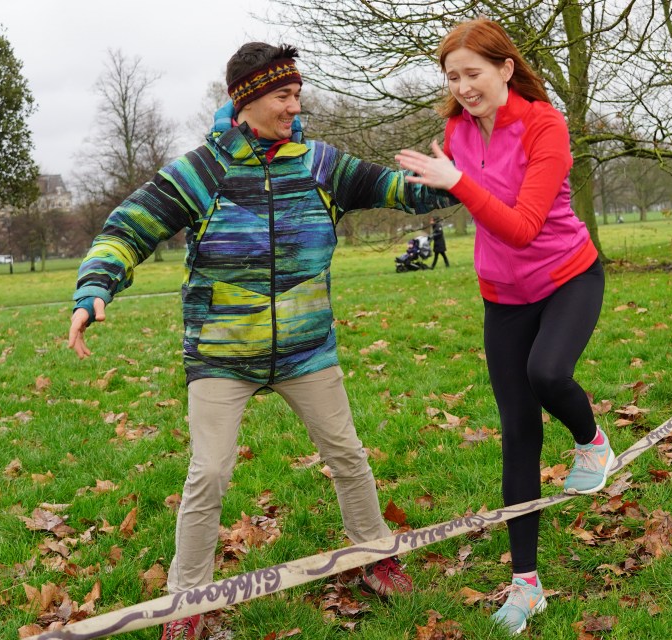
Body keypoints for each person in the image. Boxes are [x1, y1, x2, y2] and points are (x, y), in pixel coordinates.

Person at [68, 42, 455, 640]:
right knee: (210, 473)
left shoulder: (320, 163)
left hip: (307, 351)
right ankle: (186, 600)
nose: (294, 107)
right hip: (222, 357)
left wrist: (453, 177)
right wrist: (96, 287)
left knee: (347, 455)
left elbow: (403, 191)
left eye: (297, 94)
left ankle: (375, 556)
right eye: (282, 95)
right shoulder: (204, 171)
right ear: (245, 100)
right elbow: (128, 228)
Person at [395, 18, 613, 635]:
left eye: (473, 73)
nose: (463, 87)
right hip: (503, 294)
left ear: (505, 69)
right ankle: (526, 585)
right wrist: (443, 180)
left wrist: (459, 183)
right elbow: (471, 204)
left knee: (548, 373)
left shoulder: (545, 124)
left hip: (568, 274)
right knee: (517, 433)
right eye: (453, 76)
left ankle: (592, 440)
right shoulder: (457, 133)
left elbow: (521, 224)